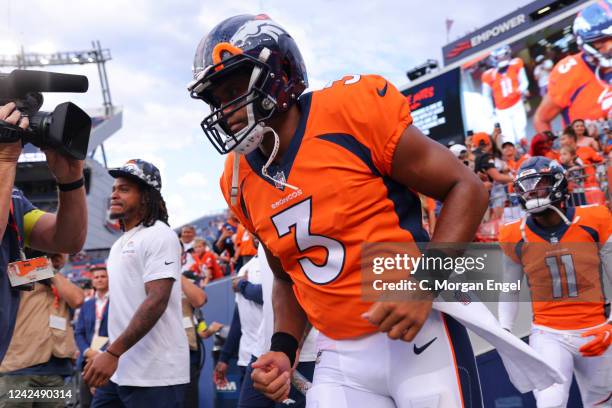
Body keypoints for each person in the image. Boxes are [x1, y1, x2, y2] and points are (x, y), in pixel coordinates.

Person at [188, 14, 489, 407]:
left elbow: (466, 186)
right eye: (218, 99)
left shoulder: (347, 113)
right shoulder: (237, 179)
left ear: (280, 72)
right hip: (338, 355)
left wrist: (423, 283)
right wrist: (284, 346)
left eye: (234, 89)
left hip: (419, 333)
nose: (226, 109)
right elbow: (285, 277)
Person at [498, 157, 612, 407]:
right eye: (527, 186)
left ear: (559, 184)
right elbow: (510, 287)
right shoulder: (514, 234)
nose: (532, 191)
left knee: (602, 403)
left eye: (540, 184)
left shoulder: (594, 219)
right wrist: (504, 329)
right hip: (550, 333)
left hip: (597, 329)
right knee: (550, 401)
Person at [83, 159, 189, 408]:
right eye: (114, 189)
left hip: (157, 374)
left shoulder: (160, 234)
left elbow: (156, 301)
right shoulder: (119, 243)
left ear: (145, 196)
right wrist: (105, 358)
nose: (114, 194)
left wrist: (111, 354)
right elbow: (124, 311)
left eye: (124, 189)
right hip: (121, 368)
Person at [0, 99, 88, 394]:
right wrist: (42, 268)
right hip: (17, 368)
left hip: (50, 363)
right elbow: (15, 273)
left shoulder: (12, 199)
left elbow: (68, 239)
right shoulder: (31, 270)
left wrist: (71, 179)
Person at [534, 1, 612, 132]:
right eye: (602, 41)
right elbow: (541, 120)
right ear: (588, 43)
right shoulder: (569, 72)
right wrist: (556, 149)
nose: (610, 47)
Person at [75, 266, 110, 408]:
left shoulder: (118, 301)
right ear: (92, 281)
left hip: (109, 357)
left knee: (106, 401)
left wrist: (101, 354)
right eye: (96, 277)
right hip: (87, 359)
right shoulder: (87, 304)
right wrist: (87, 351)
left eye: (103, 276)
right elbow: (79, 332)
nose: (99, 279)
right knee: (86, 402)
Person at [481, 45, 530, 144]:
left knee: (521, 133)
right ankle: (514, 157)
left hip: (517, 104)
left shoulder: (516, 64)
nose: (503, 58)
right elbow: (485, 95)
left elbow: (524, 82)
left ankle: (525, 153)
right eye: (499, 57)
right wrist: (490, 112)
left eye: (504, 55)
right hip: (502, 110)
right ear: (493, 59)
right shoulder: (488, 75)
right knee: (508, 137)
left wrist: (519, 90)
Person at [181, 274, 207, 408]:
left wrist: (211, 330)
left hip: (189, 352)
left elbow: (203, 331)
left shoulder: (188, 281)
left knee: (189, 400)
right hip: (160, 352)